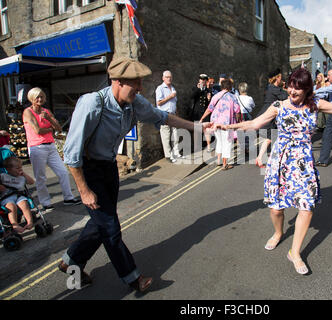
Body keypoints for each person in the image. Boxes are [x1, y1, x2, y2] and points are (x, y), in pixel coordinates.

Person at [213, 68, 332, 275]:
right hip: (280, 161)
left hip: (303, 163)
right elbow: (254, 123)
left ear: (307, 89)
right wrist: (227, 127)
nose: (292, 91)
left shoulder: (315, 105)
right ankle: (278, 232)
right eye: (290, 86)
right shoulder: (278, 106)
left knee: (306, 206)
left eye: (298, 88)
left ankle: (294, 252)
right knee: (276, 209)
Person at [60, 57, 212, 292]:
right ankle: (134, 279)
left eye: (140, 82)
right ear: (117, 81)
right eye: (135, 83)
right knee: (110, 228)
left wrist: (197, 127)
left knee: (99, 223)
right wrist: (84, 190)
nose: (140, 88)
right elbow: (71, 155)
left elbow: (163, 117)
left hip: (109, 168)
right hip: (89, 170)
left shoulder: (134, 102)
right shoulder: (92, 104)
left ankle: (71, 262)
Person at [22, 87, 81, 211]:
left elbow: (59, 128)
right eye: (37, 97)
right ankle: (45, 202)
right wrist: (50, 129)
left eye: (42, 96)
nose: (40, 99)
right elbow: (37, 130)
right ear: (32, 99)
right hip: (36, 147)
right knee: (41, 177)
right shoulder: (28, 112)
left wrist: (48, 119)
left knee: (63, 172)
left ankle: (68, 198)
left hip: (50, 145)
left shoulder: (46, 111)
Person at [199, 78, 241, 170]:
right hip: (227, 124)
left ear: (222, 86)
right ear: (230, 87)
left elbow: (209, 109)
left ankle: (218, 160)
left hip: (215, 123)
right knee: (227, 143)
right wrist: (238, 122)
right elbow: (237, 111)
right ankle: (225, 164)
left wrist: (202, 118)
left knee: (220, 141)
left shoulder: (216, 96)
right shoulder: (233, 97)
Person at [255, 68, 288, 168]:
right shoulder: (273, 88)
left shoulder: (272, 87)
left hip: (272, 113)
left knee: (272, 137)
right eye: (280, 78)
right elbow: (285, 96)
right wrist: (286, 89)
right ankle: (261, 158)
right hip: (269, 114)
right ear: (277, 78)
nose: (282, 79)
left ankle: (261, 158)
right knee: (270, 137)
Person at [0, 157, 35, 233]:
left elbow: (31, 182)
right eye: (17, 168)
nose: (20, 169)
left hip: (19, 196)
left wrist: (24, 174)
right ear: (8, 169)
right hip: (6, 198)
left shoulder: (21, 177)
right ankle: (15, 225)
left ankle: (30, 222)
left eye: (21, 167)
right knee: (11, 207)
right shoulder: (3, 176)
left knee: (24, 204)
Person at [156, 70, 184, 163]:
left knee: (175, 135)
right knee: (166, 136)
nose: (169, 79)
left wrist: (177, 115)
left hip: (173, 115)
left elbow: (175, 103)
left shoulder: (172, 88)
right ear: (163, 78)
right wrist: (170, 96)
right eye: (167, 77)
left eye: (170, 77)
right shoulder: (160, 88)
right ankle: (168, 155)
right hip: (164, 115)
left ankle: (176, 153)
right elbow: (159, 103)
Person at [190, 74, 213, 151]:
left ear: (206, 81)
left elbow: (210, 103)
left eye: (204, 80)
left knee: (206, 129)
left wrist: (209, 99)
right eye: (201, 79)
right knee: (196, 130)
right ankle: (196, 147)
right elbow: (192, 96)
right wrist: (198, 89)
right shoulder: (195, 88)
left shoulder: (208, 90)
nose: (202, 81)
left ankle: (208, 145)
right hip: (197, 112)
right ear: (199, 80)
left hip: (204, 112)